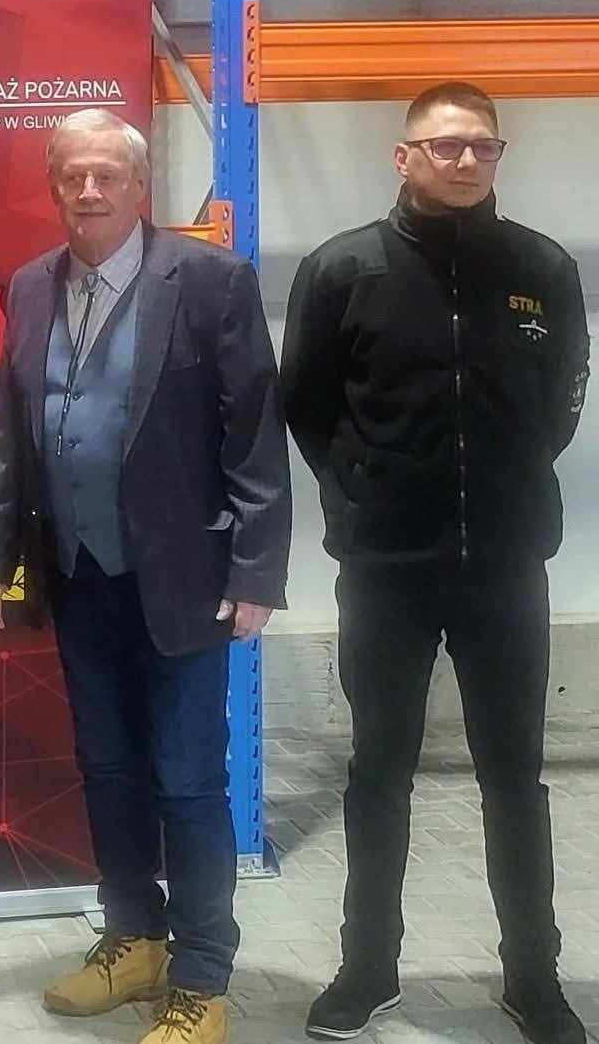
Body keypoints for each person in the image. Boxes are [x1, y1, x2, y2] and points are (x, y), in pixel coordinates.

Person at [0, 110, 291, 1044]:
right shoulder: (33, 285)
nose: (90, 190)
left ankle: (202, 978)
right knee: (106, 769)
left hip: (184, 579)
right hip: (79, 576)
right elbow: (12, 435)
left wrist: (257, 569)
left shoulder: (211, 281)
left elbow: (254, 435)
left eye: (108, 174)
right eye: (73, 175)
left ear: (140, 186)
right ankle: (134, 938)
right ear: (53, 184)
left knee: (187, 781)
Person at [284, 82, 589, 1044]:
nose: (464, 161)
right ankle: (366, 967)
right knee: (379, 771)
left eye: (481, 147)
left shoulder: (541, 266)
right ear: (404, 156)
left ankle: (532, 977)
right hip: (386, 571)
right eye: (445, 146)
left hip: (507, 566)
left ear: (497, 157)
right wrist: (362, 491)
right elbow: (307, 403)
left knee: (515, 776)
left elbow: (564, 394)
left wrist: (509, 476)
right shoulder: (344, 269)